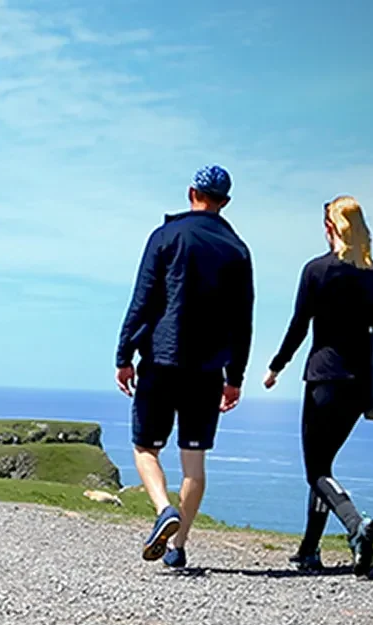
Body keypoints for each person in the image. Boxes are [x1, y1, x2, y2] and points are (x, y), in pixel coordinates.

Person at [118, 165, 254, 570]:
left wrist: (124, 356)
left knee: (146, 448)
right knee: (194, 460)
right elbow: (242, 320)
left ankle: (164, 509)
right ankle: (177, 547)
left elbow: (143, 299)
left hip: (162, 359)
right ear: (225, 202)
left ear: (192, 192)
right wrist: (235, 377)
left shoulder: (166, 236)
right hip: (209, 369)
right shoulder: (238, 249)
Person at [266, 196, 373, 575]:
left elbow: (299, 326)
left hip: (324, 379)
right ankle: (309, 550)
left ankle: (356, 524)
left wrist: (276, 366)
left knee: (315, 471)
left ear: (331, 227)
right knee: (325, 468)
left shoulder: (317, 270)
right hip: (360, 384)